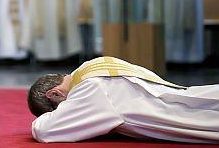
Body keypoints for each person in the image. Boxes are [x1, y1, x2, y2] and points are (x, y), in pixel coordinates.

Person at [28, 56, 219, 143]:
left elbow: (44, 130)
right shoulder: (92, 65)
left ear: (54, 94)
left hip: (185, 116)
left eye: (59, 108)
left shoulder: (90, 88)